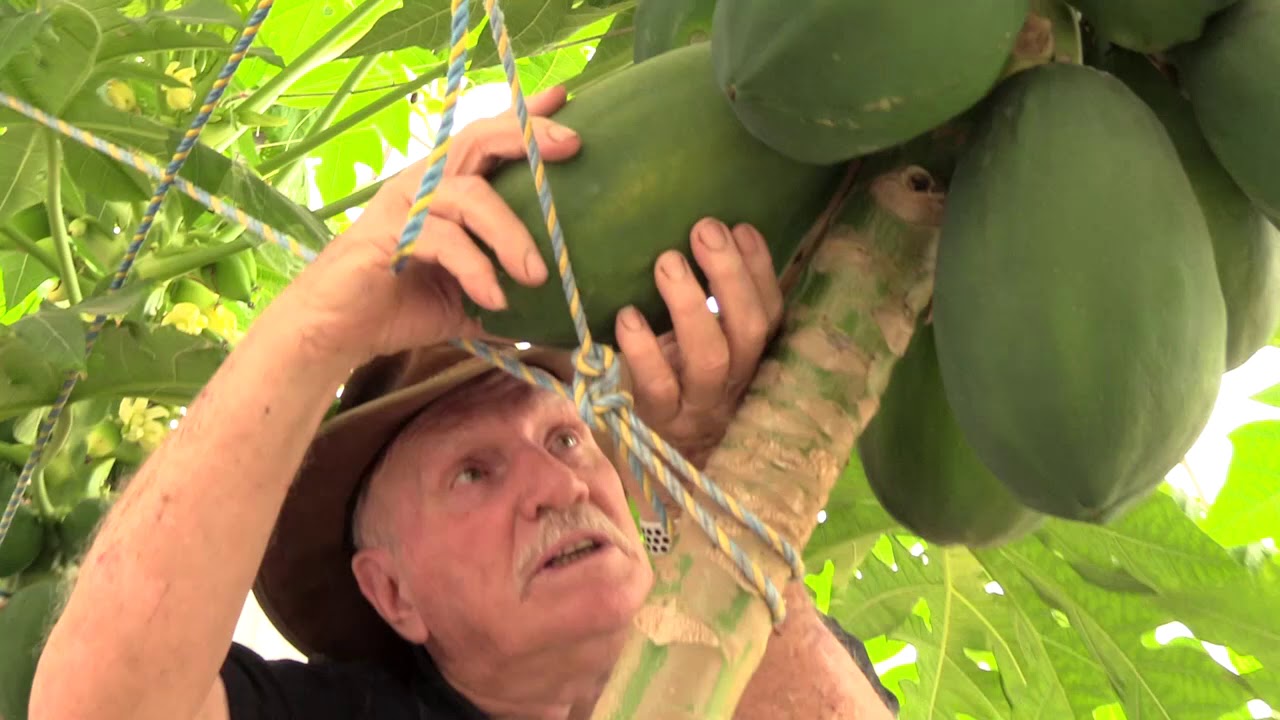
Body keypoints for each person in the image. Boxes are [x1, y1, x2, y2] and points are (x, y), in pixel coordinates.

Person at [28, 86, 897, 720]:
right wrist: (318, 325)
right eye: (473, 473)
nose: (559, 489)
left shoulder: (772, 652)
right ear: (392, 592)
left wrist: (705, 496)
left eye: (564, 440)